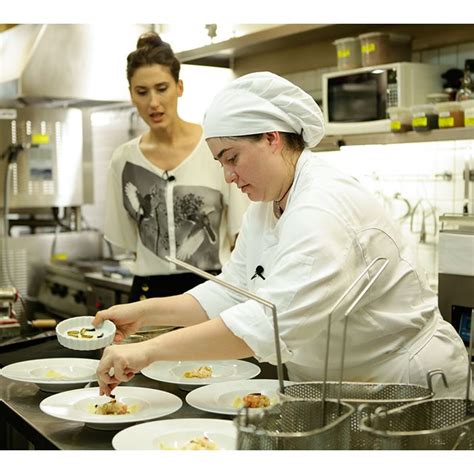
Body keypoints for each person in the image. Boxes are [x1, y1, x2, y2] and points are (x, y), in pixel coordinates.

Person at [94, 71, 469, 398]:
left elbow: (263, 326)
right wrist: (146, 313)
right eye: (220, 162)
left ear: (272, 138)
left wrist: (150, 351)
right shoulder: (267, 204)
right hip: (340, 385)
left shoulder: (321, 208)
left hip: (404, 386)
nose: (227, 176)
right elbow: (233, 288)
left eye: (232, 157)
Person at [104, 31, 248, 302]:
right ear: (131, 94)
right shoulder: (123, 160)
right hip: (149, 295)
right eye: (142, 92)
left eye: (162, 88)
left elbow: (242, 234)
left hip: (212, 290)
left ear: (179, 87)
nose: (153, 103)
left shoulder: (216, 149)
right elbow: (126, 239)